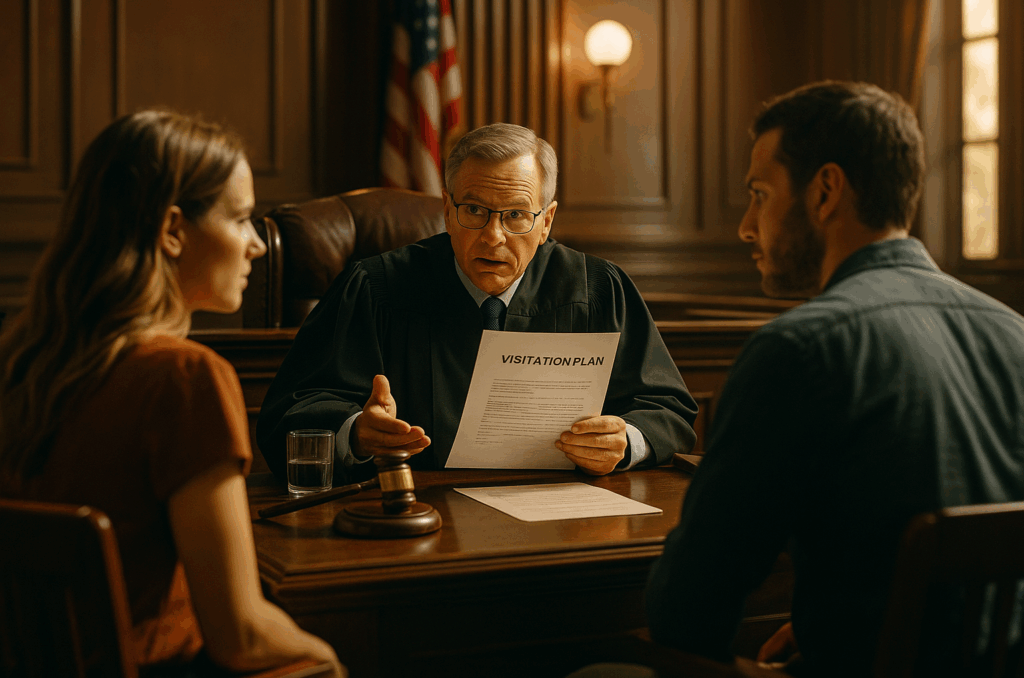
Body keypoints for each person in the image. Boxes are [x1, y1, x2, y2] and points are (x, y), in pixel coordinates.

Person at [644, 81, 1024, 677]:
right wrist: (859, 623)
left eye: (758, 195)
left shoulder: (799, 351)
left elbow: (685, 619)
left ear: (825, 191)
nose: (747, 227)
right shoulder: (1016, 335)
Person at [0, 111, 344, 677]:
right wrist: (333, 661)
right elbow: (241, 637)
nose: (257, 244)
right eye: (239, 219)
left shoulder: (25, 363)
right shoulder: (183, 379)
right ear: (172, 230)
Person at [257, 123, 697, 484]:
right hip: (420, 520)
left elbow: (669, 412)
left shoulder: (599, 289)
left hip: (564, 520)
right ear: (447, 210)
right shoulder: (375, 289)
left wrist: (624, 443)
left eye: (517, 215)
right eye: (474, 211)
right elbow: (289, 417)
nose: (493, 236)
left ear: (547, 222)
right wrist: (355, 434)